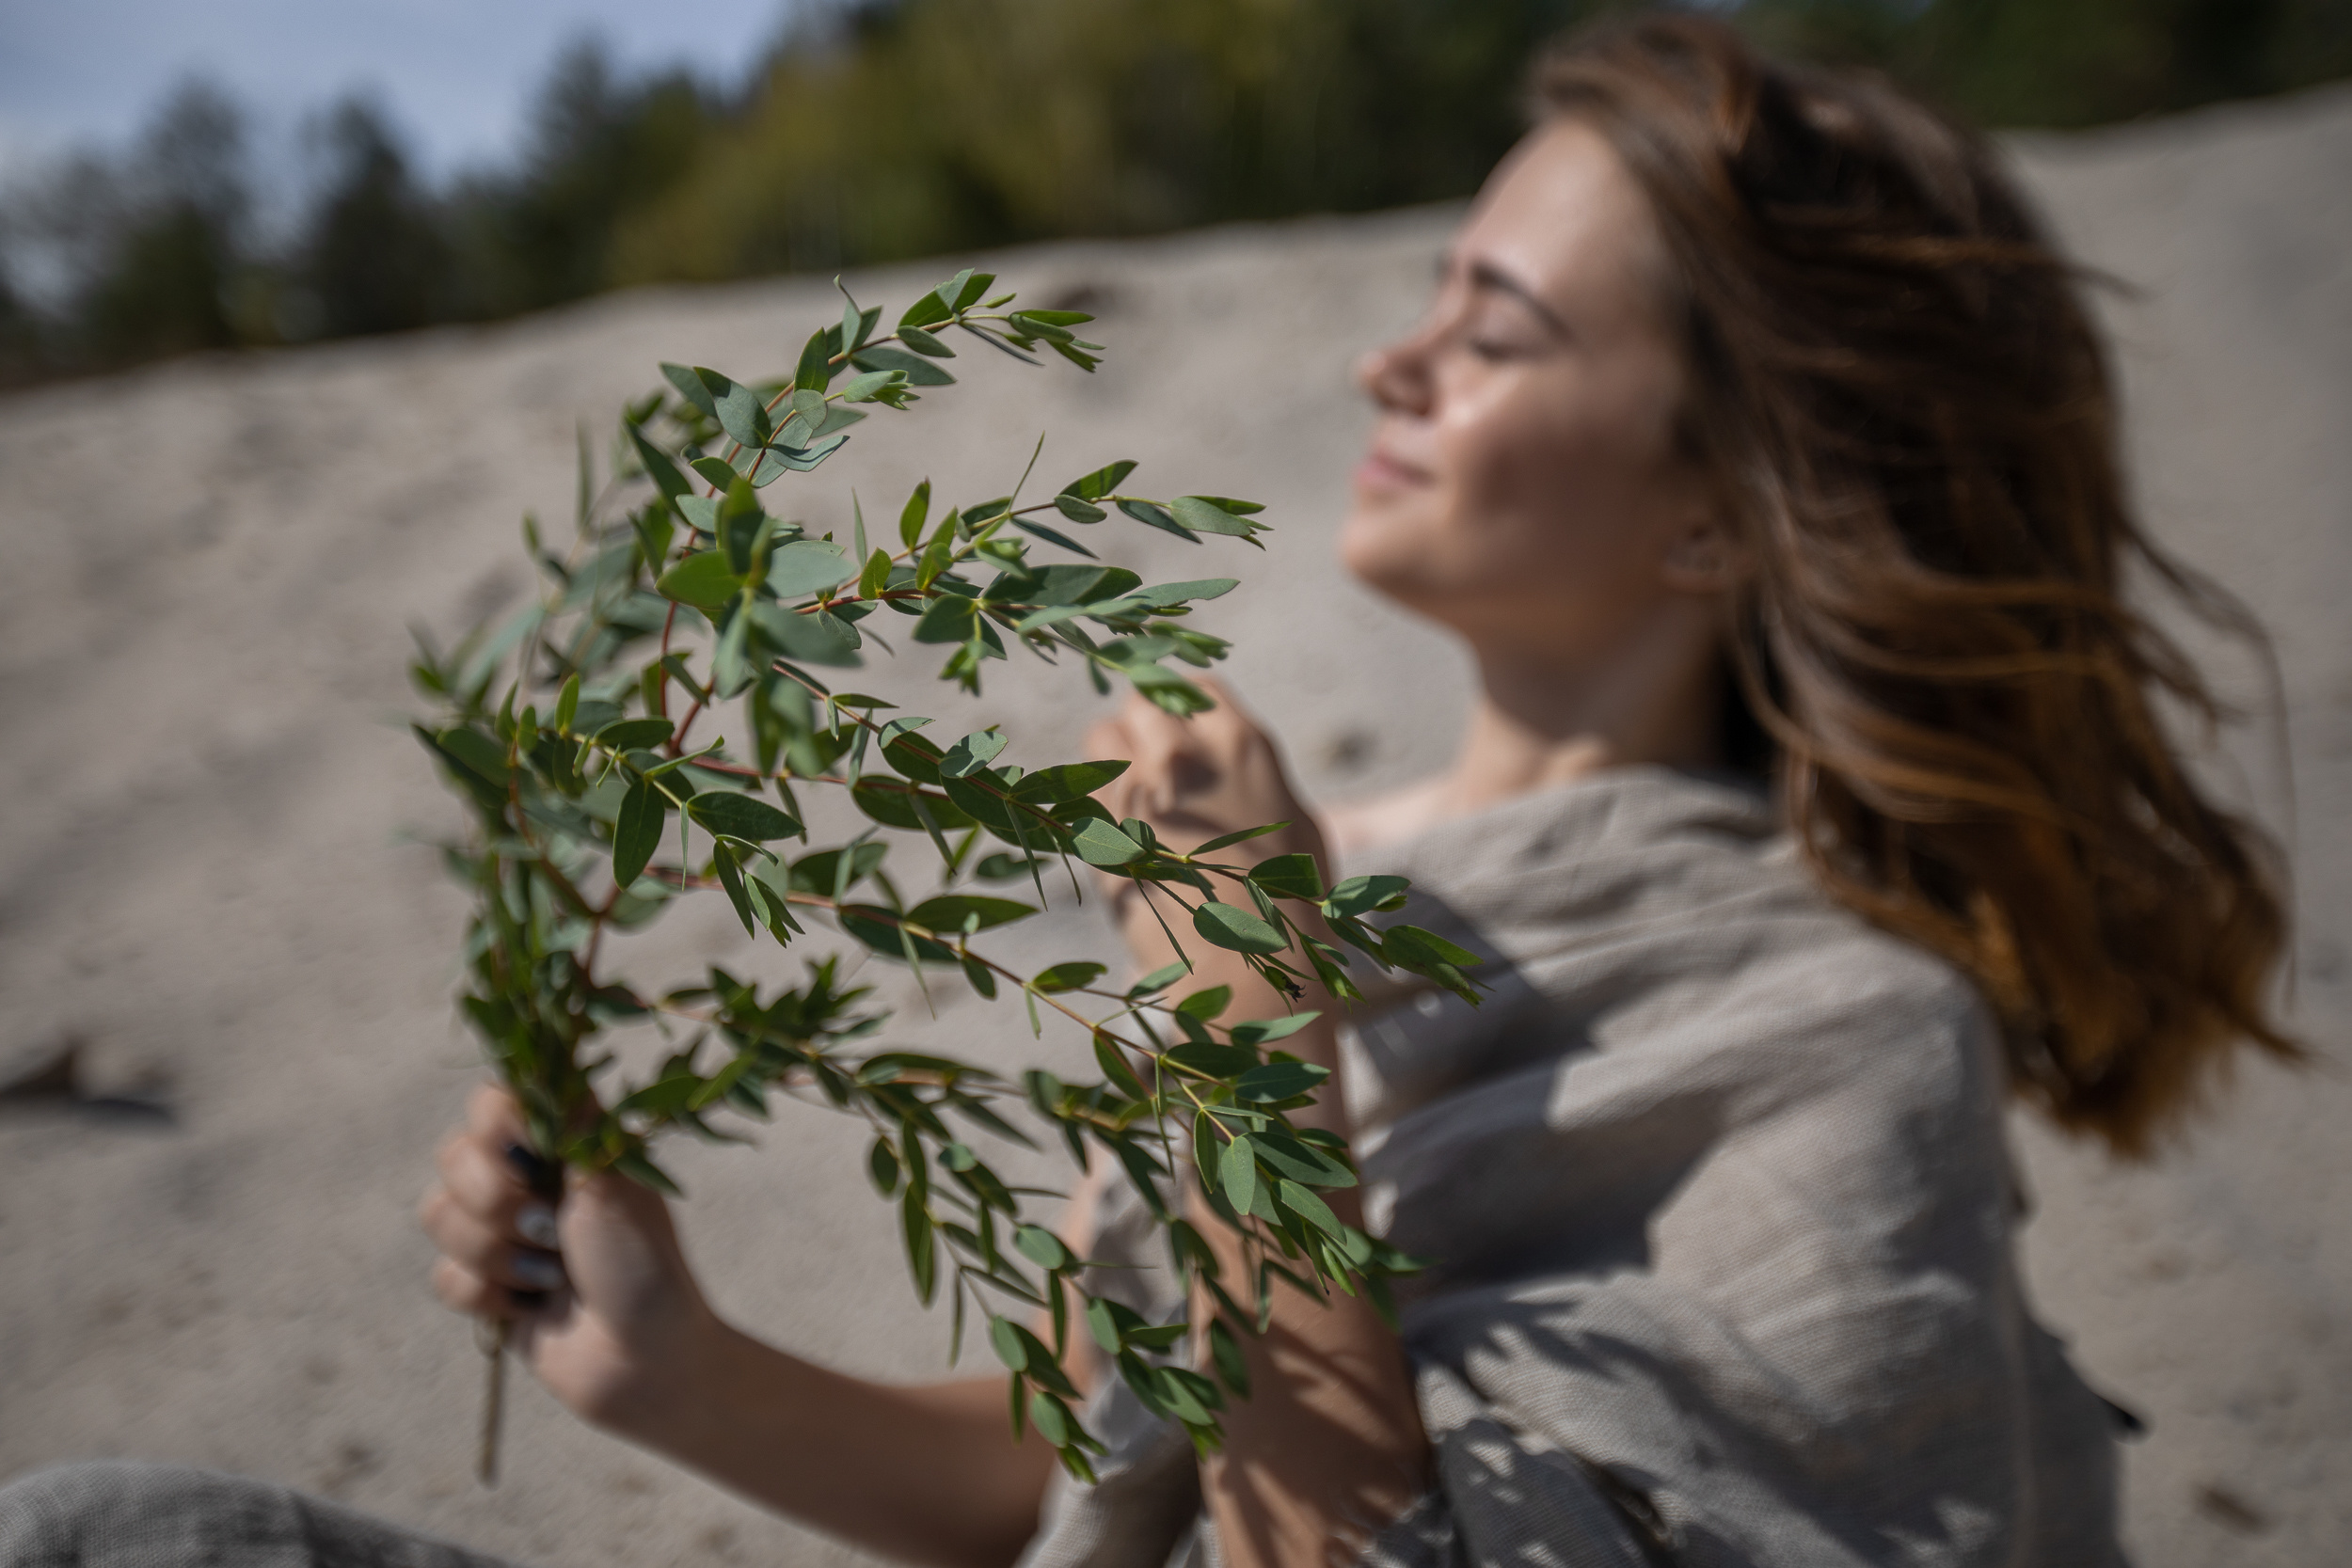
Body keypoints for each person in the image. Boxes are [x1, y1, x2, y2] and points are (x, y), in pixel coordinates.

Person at [0, 14, 2297, 1568]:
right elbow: (1122, 1468)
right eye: (1425, 290)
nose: (1384, 359)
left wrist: (1231, 1008)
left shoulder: (1831, 1033)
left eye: (1493, 332)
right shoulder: (1356, 874)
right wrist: (680, 1373)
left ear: (1723, 508)